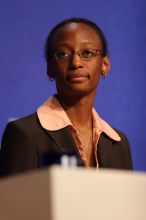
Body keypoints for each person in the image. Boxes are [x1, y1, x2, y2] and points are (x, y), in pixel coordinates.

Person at [0, 17, 133, 177]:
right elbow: (14, 201)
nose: (76, 62)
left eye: (87, 53)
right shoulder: (24, 134)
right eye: (63, 54)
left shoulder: (118, 143)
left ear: (105, 64)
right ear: (50, 68)